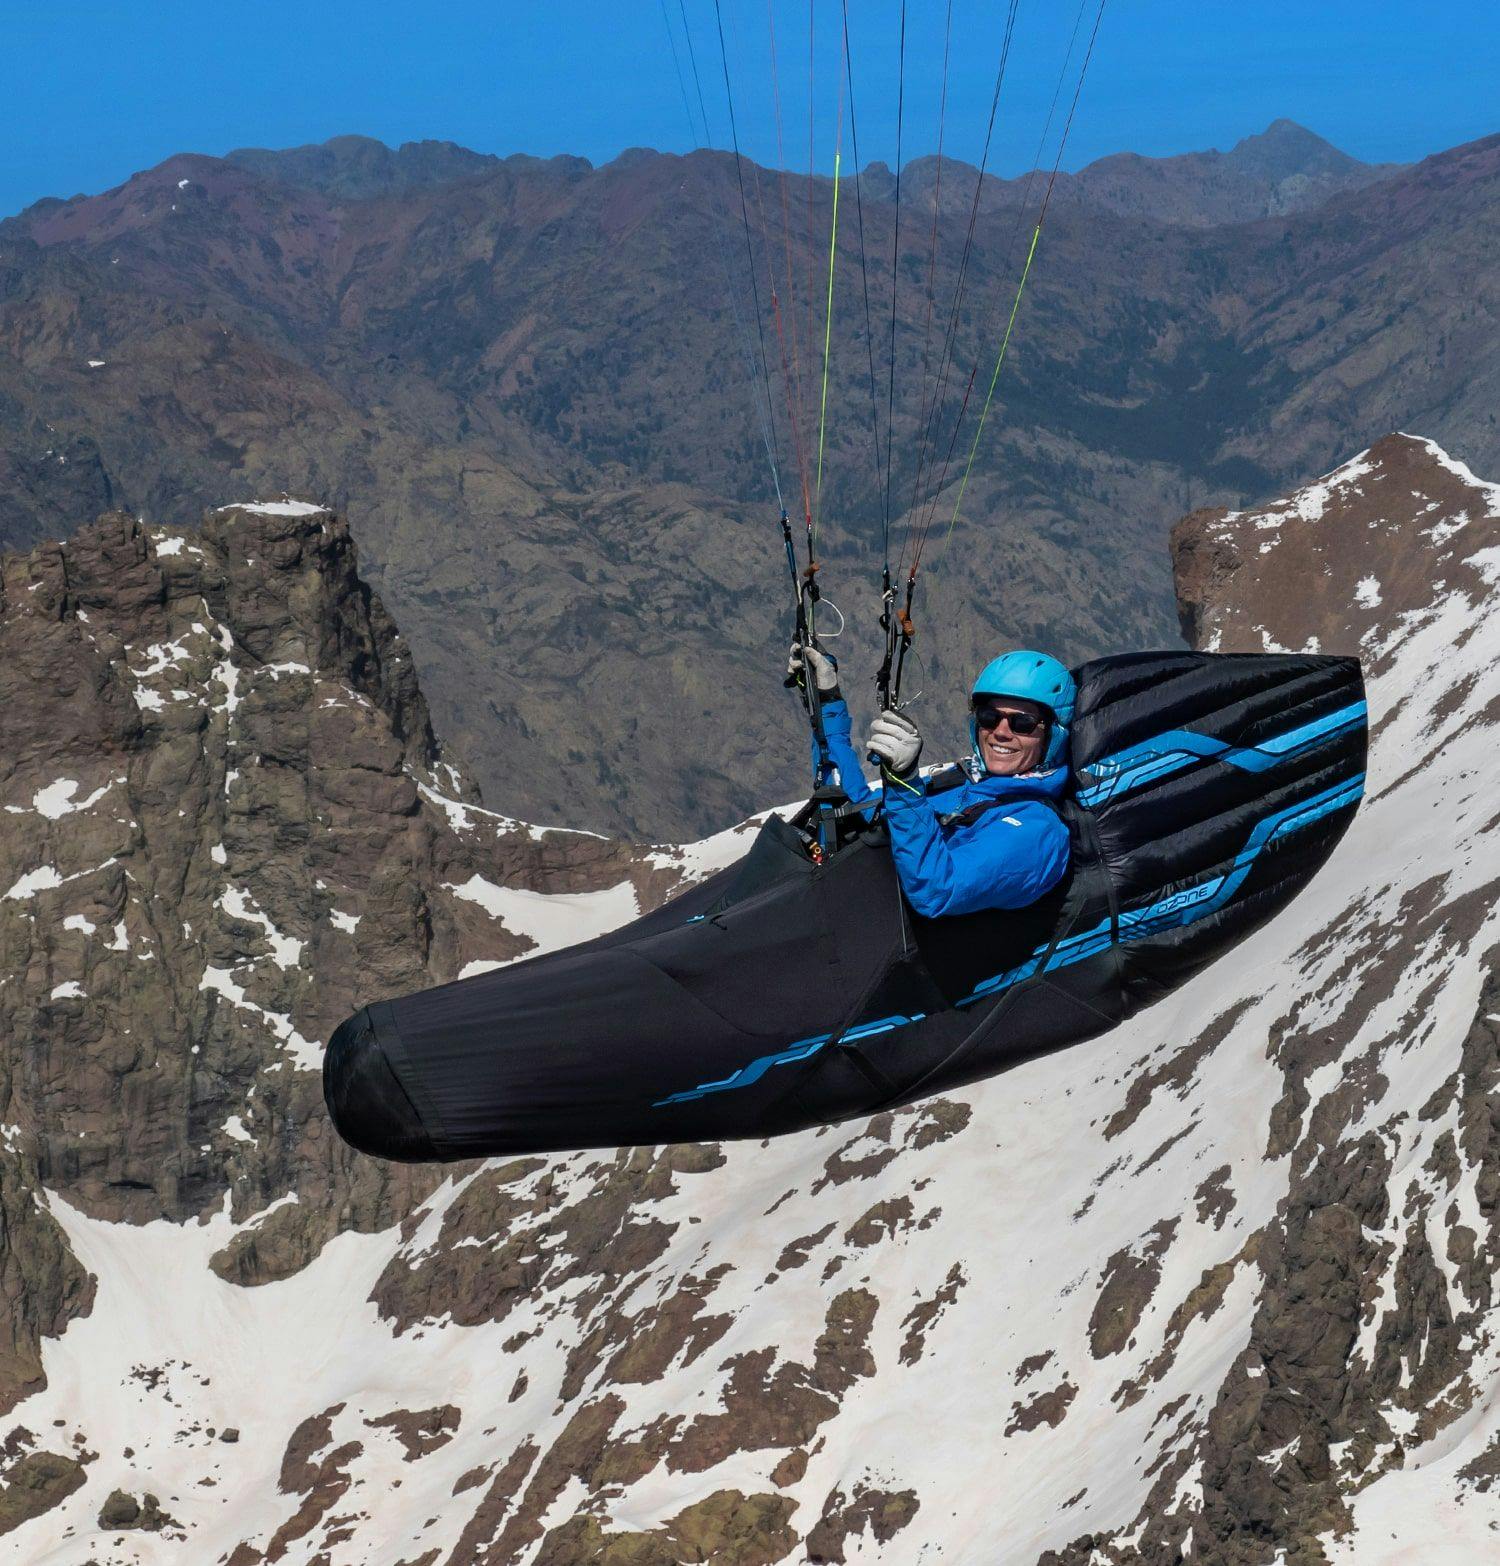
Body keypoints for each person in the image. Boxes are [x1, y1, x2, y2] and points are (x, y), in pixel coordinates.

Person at [787, 644, 1073, 917]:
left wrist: (905, 785)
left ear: (1052, 736)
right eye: (989, 717)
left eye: (1021, 722)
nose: (1000, 732)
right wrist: (826, 700)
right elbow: (860, 815)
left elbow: (937, 890)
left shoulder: (1038, 831)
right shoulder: (964, 787)